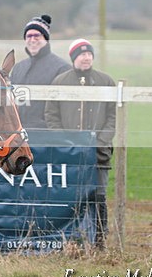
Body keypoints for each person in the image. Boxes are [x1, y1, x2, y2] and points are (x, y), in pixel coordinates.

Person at [45, 38, 116, 248]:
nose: (86, 58)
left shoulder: (106, 82)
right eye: (81, 54)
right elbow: (51, 115)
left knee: (98, 195)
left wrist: (100, 141)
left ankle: (100, 239)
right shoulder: (59, 82)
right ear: (73, 57)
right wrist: (65, 142)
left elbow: (112, 117)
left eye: (89, 54)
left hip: (98, 153)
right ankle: (70, 239)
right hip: (69, 152)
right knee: (71, 196)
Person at [9, 14, 70, 129]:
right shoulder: (18, 68)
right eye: (28, 36)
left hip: (47, 136)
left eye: (37, 36)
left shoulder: (62, 68)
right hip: (19, 135)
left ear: (45, 38)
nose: (32, 40)